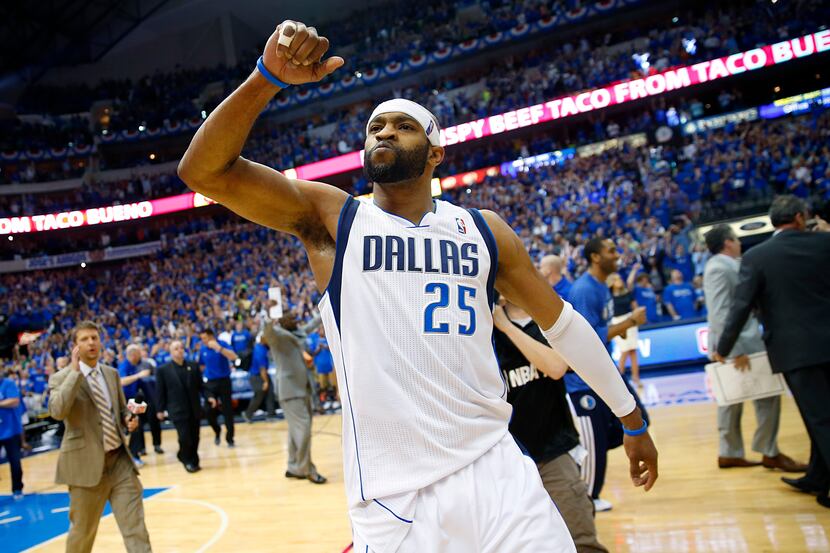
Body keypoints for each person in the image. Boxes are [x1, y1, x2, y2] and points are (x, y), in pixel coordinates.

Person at [178, 20, 657, 551]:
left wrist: (631, 419)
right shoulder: (333, 219)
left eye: (402, 125)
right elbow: (204, 172)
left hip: (497, 469)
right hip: (394, 496)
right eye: (375, 126)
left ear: (434, 154)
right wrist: (267, 77)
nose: (382, 132)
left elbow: (563, 325)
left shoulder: (483, 229)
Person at [715, 196, 830, 509]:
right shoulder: (824, 243)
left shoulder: (758, 256)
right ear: (798, 217)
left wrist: (722, 347)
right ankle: (818, 477)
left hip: (796, 351)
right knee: (817, 417)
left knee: (820, 418)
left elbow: (740, 306)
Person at [493, 299, 608, 552]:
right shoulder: (484, 332)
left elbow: (556, 367)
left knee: (582, 540)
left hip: (554, 451)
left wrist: (507, 327)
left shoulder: (547, 320)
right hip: (507, 461)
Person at [703, 224, 805, 471]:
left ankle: (729, 453)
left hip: (733, 343)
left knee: (731, 398)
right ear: (728, 242)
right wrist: (734, 348)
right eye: (736, 239)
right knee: (766, 396)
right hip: (740, 344)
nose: (739, 244)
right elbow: (719, 312)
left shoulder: (722, 265)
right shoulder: (719, 266)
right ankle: (768, 451)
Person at [47, 321, 152, 552]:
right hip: (85, 467)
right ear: (75, 347)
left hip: (120, 463)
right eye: (84, 339)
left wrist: (128, 419)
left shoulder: (111, 374)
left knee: (136, 529)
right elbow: (57, 411)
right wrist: (74, 373)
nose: (91, 342)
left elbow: (122, 409)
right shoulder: (61, 378)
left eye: (94, 337)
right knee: (82, 534)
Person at [567, 238, 649, 512]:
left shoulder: (602, 287)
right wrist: (630, 322)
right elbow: (587, 337)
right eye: (611, 250)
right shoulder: (584, 289)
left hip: (603, 370)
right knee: (598, 439)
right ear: (595, 257)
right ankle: (587, 498)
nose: (617, 254)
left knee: (639, 419)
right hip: (584, 380)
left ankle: (581, 454)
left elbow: (600, 328)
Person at [262, 312, 326, 484]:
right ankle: (307, 469)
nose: (296, 321)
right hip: (290, 391)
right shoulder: (277, 336)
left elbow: (311, 324)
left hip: (302, 388)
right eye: (292, 319)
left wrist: (324, 308)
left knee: (295, 432)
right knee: (303, 429)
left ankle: (293, 466)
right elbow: (266, 331)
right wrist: (269, 316)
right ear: (283, 322)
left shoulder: (297, 333)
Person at [156, 340, 203, 473]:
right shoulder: (163, 370)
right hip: (177, 409)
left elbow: (201, 386)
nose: (180, 350)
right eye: (176, 348)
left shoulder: (193, 366)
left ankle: (193, 459)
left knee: (195, 437)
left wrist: (209, 396)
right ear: (171, 352)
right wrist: (160, 409)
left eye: (181, 348)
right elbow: (160, 391)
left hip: (194, 408)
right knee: (184, 437)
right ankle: (187, 460)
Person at [198, 329, 238, 447]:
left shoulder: (222, 344)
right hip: (210, 383)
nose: (203, 341)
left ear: (211, 337)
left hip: (224, 381)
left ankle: (230, 439)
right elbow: (201, 365)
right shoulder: (203, 349)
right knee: (208, 410)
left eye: (204, 338)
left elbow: (234, 357)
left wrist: (219, 349)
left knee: (228, 411)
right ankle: (217, 431)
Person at [118, 345, 154, 465]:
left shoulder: (134, 366)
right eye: (139, 353)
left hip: (135, 401)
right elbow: (121, 381)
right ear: (133, 354)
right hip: (125, 402)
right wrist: (138, 375)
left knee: (139, 425)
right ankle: (133, 456)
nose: (141, 356)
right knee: (134, 427)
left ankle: (138, 452)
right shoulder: (125, 365)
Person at [608, 272, 641, 386]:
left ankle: (636, 377)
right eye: (616, 279)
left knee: (633, 350)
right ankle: (620, 378)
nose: (619, 281)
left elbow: (635, 307)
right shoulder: (608, 295)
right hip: (617, 321)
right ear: (612, 282)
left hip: (630, 319)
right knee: (625, 349)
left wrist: (637, 318)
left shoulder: (627, 293)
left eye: (620, 279)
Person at [0, 367, 24, 500]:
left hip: (11, 430)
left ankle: (17, 489)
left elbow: (14, 401)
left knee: (15, 462)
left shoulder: (8, 383)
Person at [242, 333, 275, 422]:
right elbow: (262, 368)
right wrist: (266, 382)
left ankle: (271, 415)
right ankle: (248, 414)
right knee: (259, 395)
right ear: (262, 339)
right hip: (257, 376)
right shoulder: (260, 350)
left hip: (262, 374)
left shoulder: (263, 347)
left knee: (270, 393)